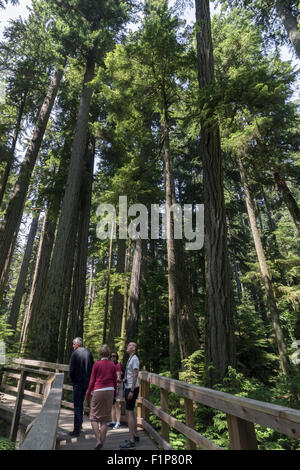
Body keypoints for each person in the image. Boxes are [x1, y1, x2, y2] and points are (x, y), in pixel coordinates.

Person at [84, 344, 117, 450]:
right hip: (110, 391)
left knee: (93, 417)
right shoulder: (112, 365)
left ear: (100, 353)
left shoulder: (97, 364)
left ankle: (98, 440)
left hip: (99, 390)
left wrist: (87, 396)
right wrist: (114, 395)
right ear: (109, 354)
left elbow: (92, 382)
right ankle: (101, 444)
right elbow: (115, 381)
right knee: (104, 420)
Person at [69, 337, 94, 437]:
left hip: (77, 383)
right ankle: (80, 425)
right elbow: (92, 367)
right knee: (81, 404)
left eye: (73, 344)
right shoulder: (88, 352)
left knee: (77, 405)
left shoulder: (75, 353)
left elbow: (71, 369)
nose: (73, 346)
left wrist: (72, 379)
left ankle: (77, 429)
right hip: (86, 382)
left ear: (77, 344)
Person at [120, 342, 140, 449]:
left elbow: (136, 374)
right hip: (128, 387)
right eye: (128, 345)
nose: (128, 346)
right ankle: (135, 435)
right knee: (131, 412)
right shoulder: (131, 358)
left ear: (133, 348)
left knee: (129, 412)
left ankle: (131, 440)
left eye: (130, 345)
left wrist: (132, 391)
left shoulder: (135, 359)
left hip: (132, 388)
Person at [108, 352, 124, 430]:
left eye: (114, 356)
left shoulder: (118, 365)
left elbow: (118, 378)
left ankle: (118, 422)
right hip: (113, 386)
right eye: (111, 356)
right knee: (112, 404)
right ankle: (113, 421)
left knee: (117, 404)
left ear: (116, 357)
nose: (112, 357)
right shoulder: (111, 365)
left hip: (117, 386)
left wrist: (116, 388)